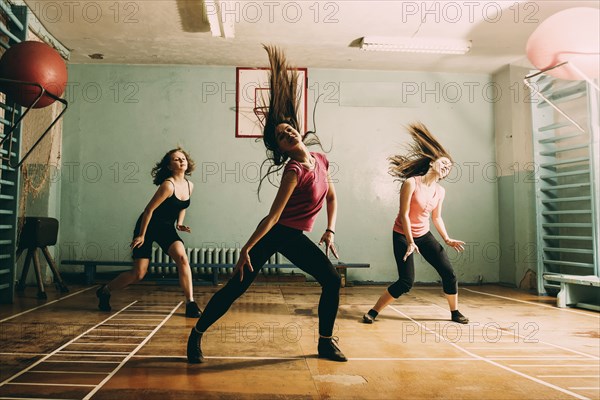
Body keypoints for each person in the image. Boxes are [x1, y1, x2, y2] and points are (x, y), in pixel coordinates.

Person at [186, 45, 346, 363]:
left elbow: (330, 194)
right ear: (282, 149)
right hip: (280, 233)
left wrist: (330, 229)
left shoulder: (320, 159)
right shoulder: (294, 170)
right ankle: (197, 335)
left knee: (330, 280)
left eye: (288, 129)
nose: (287, 132)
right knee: (236, 288)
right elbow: (273, 218)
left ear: (298, 131)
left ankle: (325, 343)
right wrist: (246, 248)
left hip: (295, 235)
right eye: (282, 136)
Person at [362, 123, 469, 325]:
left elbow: (436, 217)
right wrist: (410, 241)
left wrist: (446, 238)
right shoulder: (411, 183)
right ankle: (373, 312)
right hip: (402, 234)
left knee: (449, 273)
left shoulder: (440, 191)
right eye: (444, 162)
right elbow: (403, 215)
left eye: (449, 168)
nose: (446, 167)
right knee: (406, 282)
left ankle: (455, 312)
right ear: (432, 163)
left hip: (424, 235)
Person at [96, 148, 201, 318]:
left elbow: (182, 206)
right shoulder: (168, 185)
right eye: (176, 159)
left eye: (183, 158)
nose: (181, 161)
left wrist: (180, 224)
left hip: (166, 228)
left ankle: (190, 303)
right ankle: (105, 290)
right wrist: (142, 235)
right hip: (147, 226)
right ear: (169, 166)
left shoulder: (190, 186)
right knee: (138, 274)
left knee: (182, 258)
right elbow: (148, 210)